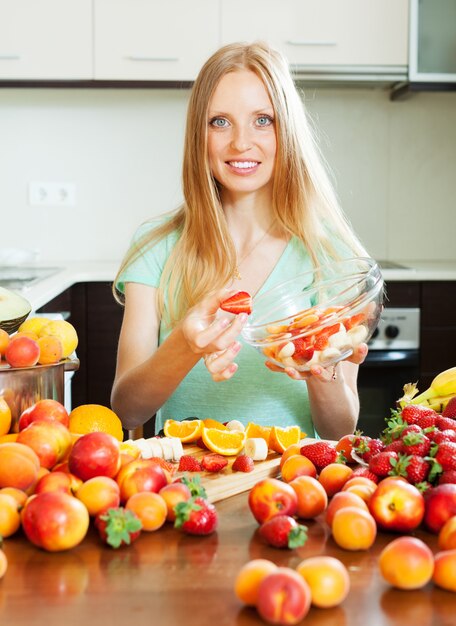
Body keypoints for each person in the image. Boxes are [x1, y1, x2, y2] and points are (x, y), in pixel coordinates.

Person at [111, 41, 370, 440]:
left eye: (262, 120)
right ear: (199, 133)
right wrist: (185, 344)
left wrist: (320, 370)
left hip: (293, 488)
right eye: (220, 122)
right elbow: (127, 410)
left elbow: (339, 429)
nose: (240, 142)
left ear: (287, 130)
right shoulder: (156, 246)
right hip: (188, 490)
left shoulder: (332, 254)